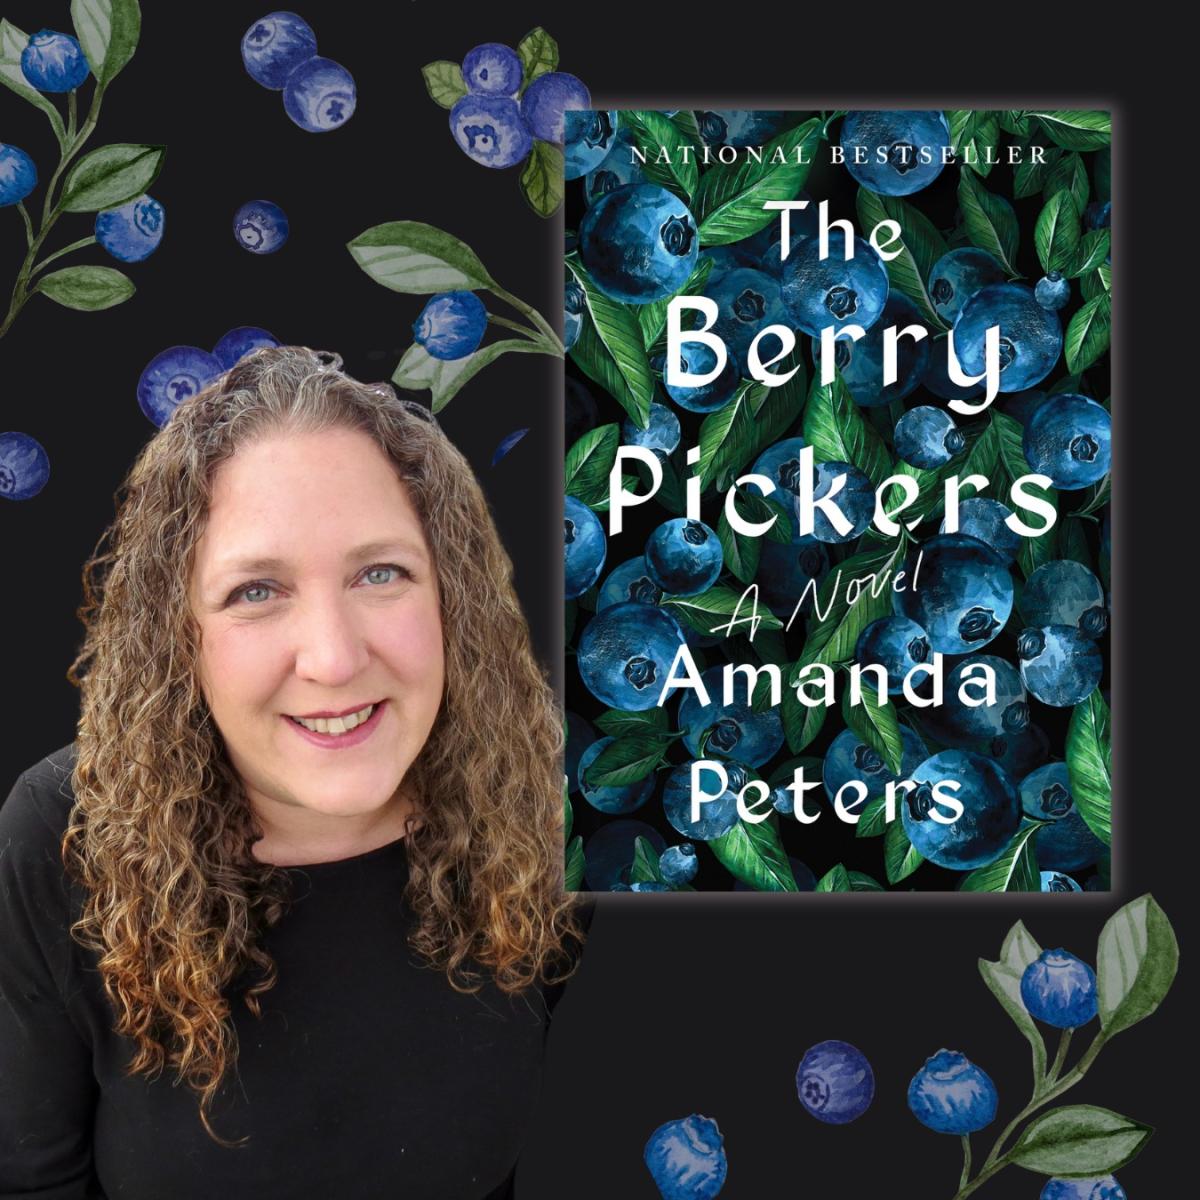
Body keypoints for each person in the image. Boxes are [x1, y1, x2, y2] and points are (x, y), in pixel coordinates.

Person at [0, 346, 588, 1199]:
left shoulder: (556, 820)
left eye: (380, 573)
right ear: (178, 639)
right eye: (256, 592)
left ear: (452, 597)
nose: (334, 658)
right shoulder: (60, 836)